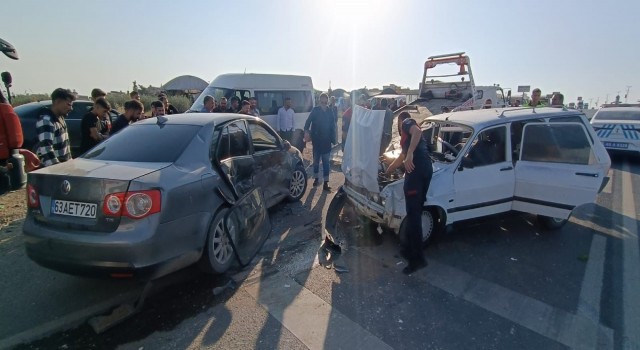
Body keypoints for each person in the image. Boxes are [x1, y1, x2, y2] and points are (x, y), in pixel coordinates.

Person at [385, 111, 432, 275]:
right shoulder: (408, 140)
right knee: (414, 213)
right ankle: (407, 249)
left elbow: (417, 132)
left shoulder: (406, 122)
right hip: (425, 170)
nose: (398, 127)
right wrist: (391, 168)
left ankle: (417, 259)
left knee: (413, 216)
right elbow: (403, 155)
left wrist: (410, 154)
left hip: (417, 172)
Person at [304, 93, 335, 191]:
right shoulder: (315, 110)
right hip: (317, 141)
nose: (323, 102)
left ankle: (326, 183)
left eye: (325, 100)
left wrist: (333, 139)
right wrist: (306, 131)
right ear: (319, 101)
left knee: (326, 163)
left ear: (327, 101)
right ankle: (316, 179)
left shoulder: (330, 111)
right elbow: (308, 122)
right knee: (316, 162)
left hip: (326, 142)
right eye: (322, 100)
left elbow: (333, 126)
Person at [36, 88, 75, 167]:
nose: (71, 108)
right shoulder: (46, 121)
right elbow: (46, 149)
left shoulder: (61, 119)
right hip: (53, 171)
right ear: (57, 101)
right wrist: (57, 169)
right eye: (68, 104)